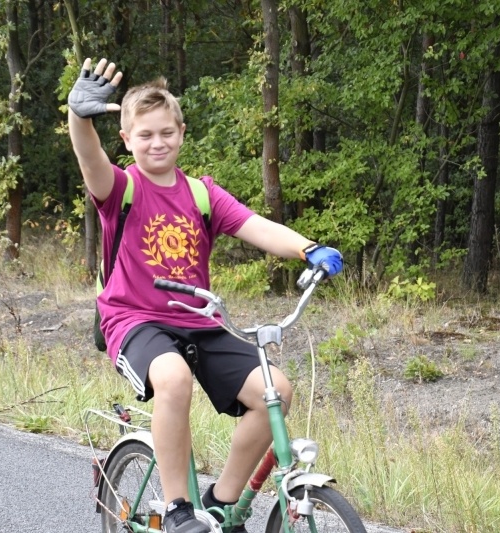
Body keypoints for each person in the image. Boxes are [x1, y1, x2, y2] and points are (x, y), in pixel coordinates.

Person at [67, 58, 343, 533]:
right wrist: (79, 119)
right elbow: (91, 160)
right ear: (127, 140)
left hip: (199, 321)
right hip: (134, 321)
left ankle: (220, 502)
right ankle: (177, 510)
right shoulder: (121, 188)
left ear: (181, 132)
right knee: (173, 379)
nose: (157, 143)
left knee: (275, 391)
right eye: (145, 135)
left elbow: (257, 226)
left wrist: (308, 248)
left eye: (166, 133)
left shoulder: (201, 194)